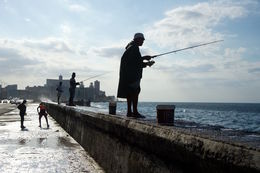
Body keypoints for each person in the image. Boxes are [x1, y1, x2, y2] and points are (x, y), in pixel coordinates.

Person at [117, 33, 155, 118]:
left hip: (127, 76)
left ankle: (129, 112)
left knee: (129, 93)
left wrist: (145, 60)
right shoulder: (134, 48)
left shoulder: (130, 47)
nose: (143, 41)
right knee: (135, 91)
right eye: (142, 40)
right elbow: (136, 62)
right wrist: (146, 62)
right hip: (133, 76)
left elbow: (134, 61)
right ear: (137, 39)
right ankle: (135, 112)